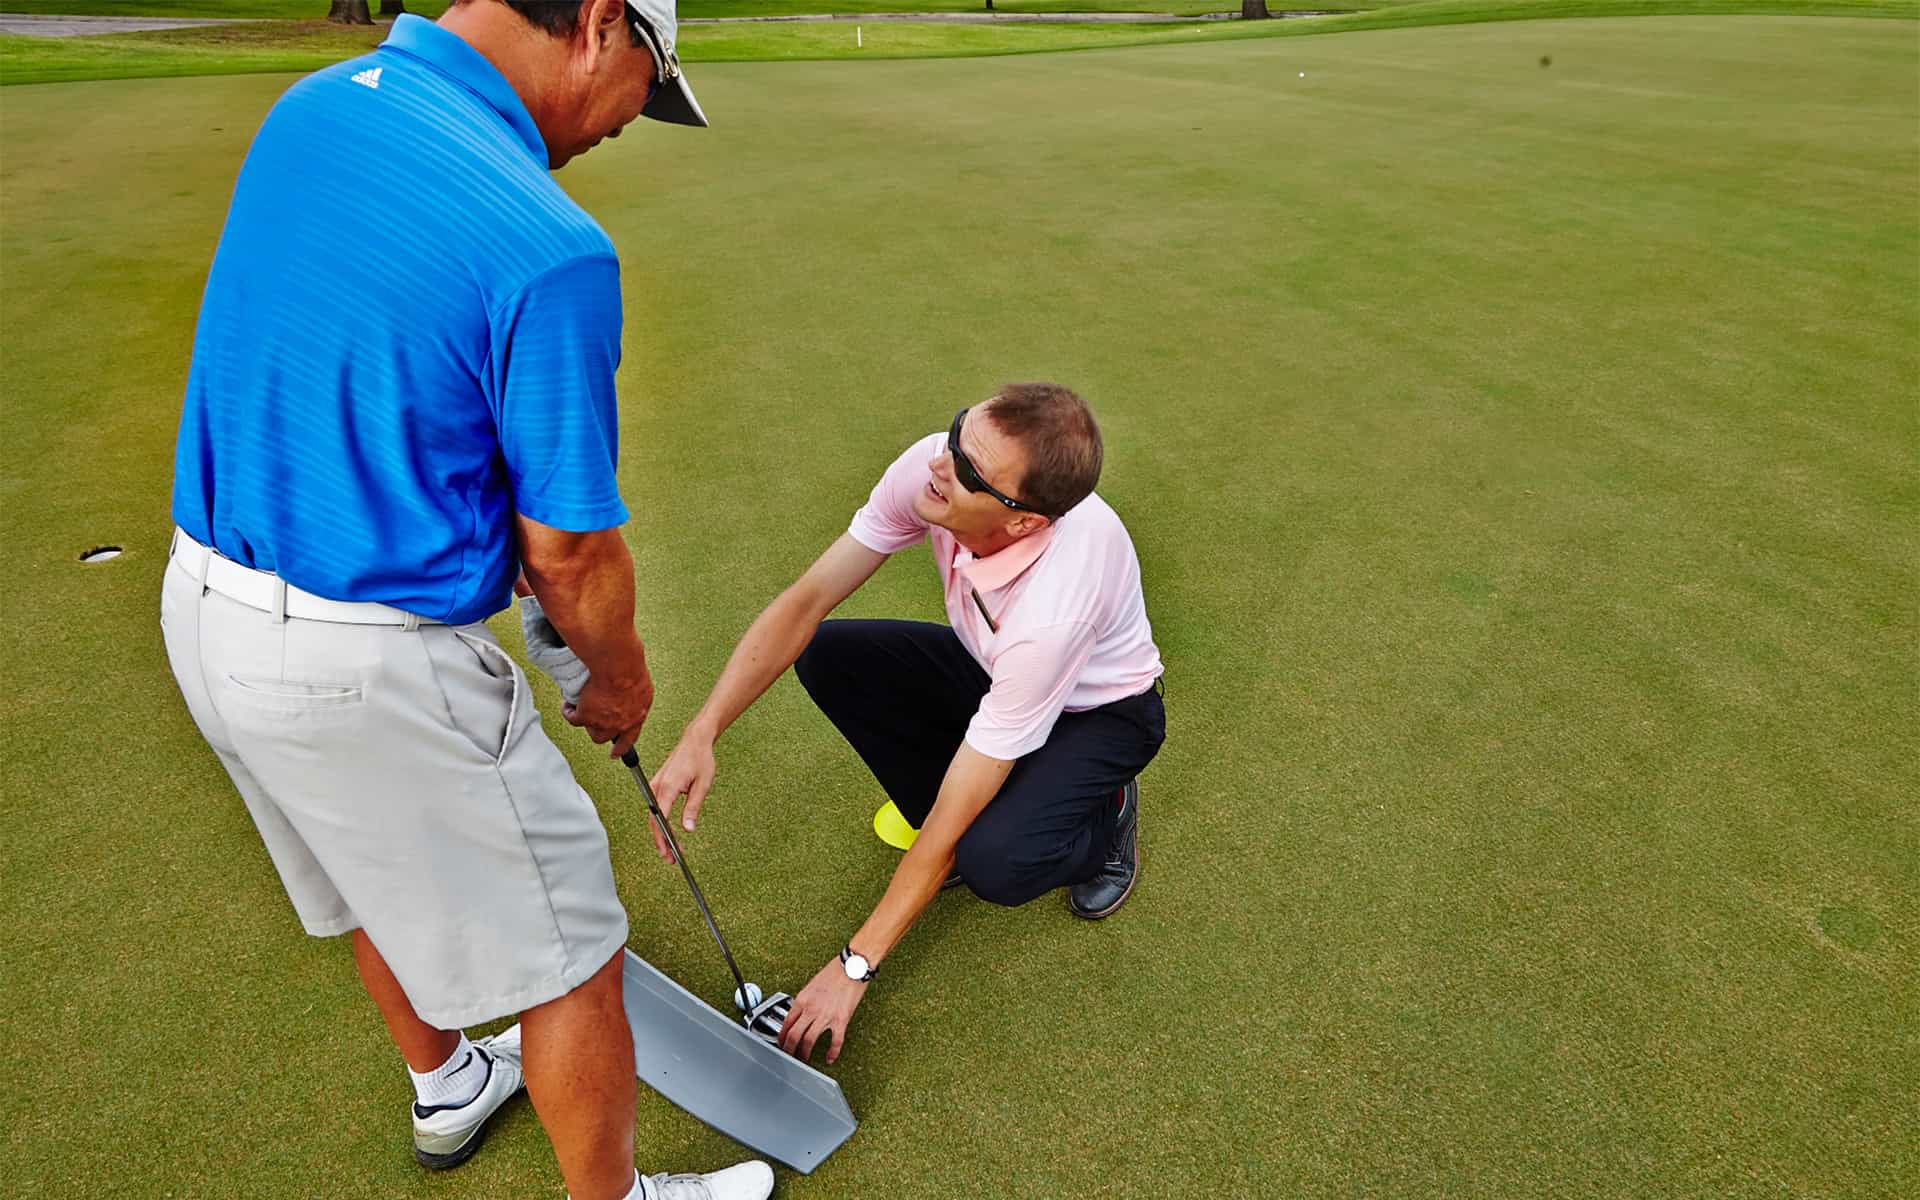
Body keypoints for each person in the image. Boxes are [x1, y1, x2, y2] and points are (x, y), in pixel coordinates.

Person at [160, 3, 769, 1198]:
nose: (626, 123)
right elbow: (571, 554)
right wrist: (620, 680)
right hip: (368, 668)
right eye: (646, 86)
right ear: (602, 24)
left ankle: (447, 1084)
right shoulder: (551, 244)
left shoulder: (313, 107)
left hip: (203, 608)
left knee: (378, 880)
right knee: (575, 958)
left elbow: (371, 368)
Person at [649, 383, 1167, 1063]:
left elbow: (958, 810)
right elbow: (807, 601)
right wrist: (703, 730)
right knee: (830, 654)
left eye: (970, 470)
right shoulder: (933, 470)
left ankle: (1107, 818)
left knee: (993, 863)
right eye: (957, 434)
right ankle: (1003, 816)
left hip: (1101, 714)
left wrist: (854, 965)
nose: (941, 463)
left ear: (1022, 523)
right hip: (997, 673)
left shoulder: (1053, 614)